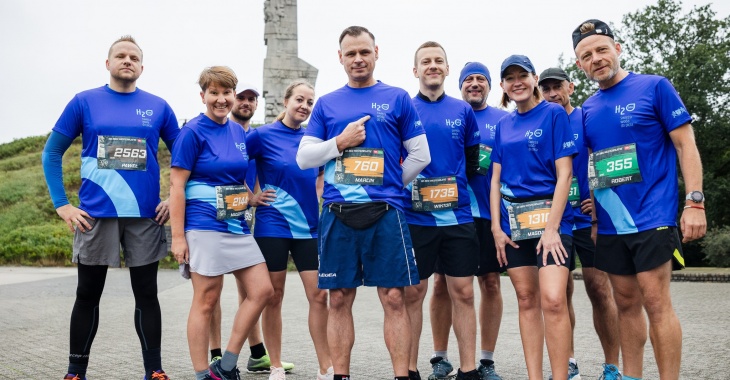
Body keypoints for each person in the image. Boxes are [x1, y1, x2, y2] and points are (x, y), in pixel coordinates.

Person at [573, 19, 706, 380]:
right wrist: (597, 222)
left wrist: (695, 202)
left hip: (653, 216)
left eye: (601, 49)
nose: (596, 58)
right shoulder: (587, 108)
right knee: (626, 304)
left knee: (656, 302)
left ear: (618, 49)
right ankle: (632, 376)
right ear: (580, 65)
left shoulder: (654, 87)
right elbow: (591, 165)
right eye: (587, 55)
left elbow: (685, 144)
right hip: (612, 224)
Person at [296, 25, 431, 380]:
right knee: (338, 298)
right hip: (338, 215)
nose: (358, 59)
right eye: (351, 53)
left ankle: (402, 375)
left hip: (386, 213)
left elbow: (420, 155)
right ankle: (341, 375)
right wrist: (339, 142)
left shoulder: (398, 97)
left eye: (364, 52)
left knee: (394, 298)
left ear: (376, 52)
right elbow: (305, 158)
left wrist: (389, 185)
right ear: (340, 57)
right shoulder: (326, 103)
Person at [42, 35, 178, 380]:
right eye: (121, 55)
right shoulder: (84, 102)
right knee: (87, 294)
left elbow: (184, 157)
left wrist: (173, 198)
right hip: (95, 217)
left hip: (145, 216)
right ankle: (75, 371)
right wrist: (62, 205)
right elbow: (52, 151)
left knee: (147, 295)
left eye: (134, 57)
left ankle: (154, 370)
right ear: (108, 63)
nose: (127, 60)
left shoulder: (159, 106)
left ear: (142, 67)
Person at [169, 66, 274, 380]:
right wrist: (178, 237)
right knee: (207, 299)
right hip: (203, 226)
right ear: (203, 96)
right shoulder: (192, 132)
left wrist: (250, 197)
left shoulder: (238, 132)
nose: (221, 99)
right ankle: (203, 374)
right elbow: (176, 186)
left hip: (237, 225)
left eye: (226, 92)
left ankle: (226, 365)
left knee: (262, 290)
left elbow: (236, 177)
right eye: (214, 93)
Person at [490, 55, 577, 380]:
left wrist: (552, 228)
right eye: (509, 77)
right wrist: (496, 229)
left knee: (553, 300)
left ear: (534, 78)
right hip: (514, 225)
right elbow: (495, 181)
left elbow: (565, 174)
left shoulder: (553, 114)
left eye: (522, 75)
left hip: (553, 223)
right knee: (526, 300)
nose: (517, 82)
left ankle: (560, 376)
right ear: (503, 85)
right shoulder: (503, 125)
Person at [426, 61, 509, 380]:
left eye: (481, 79)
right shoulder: (449, 112)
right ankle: (440, 358)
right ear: (459, 84)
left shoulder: (503, 119)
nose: (475, 83)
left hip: (490, 217)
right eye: (469, 79)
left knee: (490, 283)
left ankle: (485, 361)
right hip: (447, 212)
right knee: (441, 284)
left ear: (490, 86)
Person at [538, 66, 621, 380]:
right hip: (555, 220)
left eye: (556, 86)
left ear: (570, 87)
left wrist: (598, 206)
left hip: (587, 219)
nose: (551, 94)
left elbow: (603, 156)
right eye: (545, 89)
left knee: (599, 290)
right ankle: (569, 363)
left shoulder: (585, 116)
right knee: (561, 294)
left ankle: (611, 366)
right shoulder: (541, 120)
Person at [403, 41, 480, 380]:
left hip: (458, 217)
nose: (433, 66)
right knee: (413, 294)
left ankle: (468, 369)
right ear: (415, 70)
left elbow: (474, 162)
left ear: (447, 69)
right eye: (426, 61)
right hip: (415, 218)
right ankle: (408, 369)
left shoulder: (464, 111)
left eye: (439, 61)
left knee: (463, 292)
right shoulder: (403, 108)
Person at [246, 80, 332, 380]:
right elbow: (233, 163)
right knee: (273, 295)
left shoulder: (314, 138)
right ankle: (276, 365)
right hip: (272, 226)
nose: (304, 106)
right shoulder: (262, 135)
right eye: (299, 99)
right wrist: (250, 196)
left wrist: (318, 195)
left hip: (309, 228)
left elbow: (321, 174)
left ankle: (326, 367)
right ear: (286, 101)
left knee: (320, 296)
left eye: (310, 102)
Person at [207, 84, 295, 374]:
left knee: (250, 289)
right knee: (213, 291)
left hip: (242, 219)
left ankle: (257, 353)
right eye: (241, 98)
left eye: (251, 99)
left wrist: (253, 199)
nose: (246, 103)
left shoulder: (253, 137)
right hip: (212, 217)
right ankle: (216, 354)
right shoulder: (221, 131)